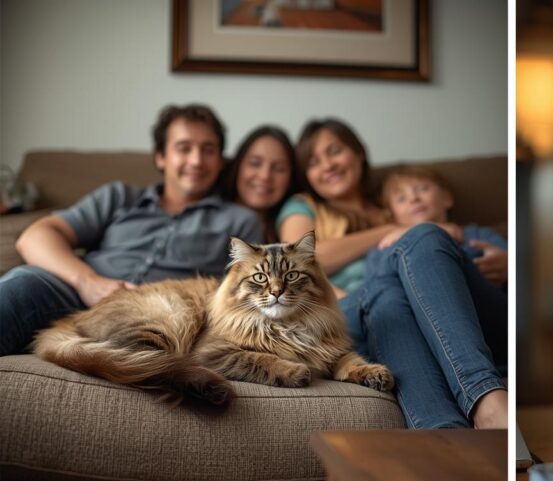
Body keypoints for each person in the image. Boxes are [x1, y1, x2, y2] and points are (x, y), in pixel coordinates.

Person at [276, 118, 507, 429]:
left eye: (335, 151)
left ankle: (448, 430)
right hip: (347, 308)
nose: (327, 165)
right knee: (388, 292)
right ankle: (471, 409)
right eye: (314, 162)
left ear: (359, 154)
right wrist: (394, 230)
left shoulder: (394, 203)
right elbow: (299, 259)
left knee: (409, 265)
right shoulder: (305, 206)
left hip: (414, 305)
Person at [0, 104, 263, 356]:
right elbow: (34, 237)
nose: (196, 160)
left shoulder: (239, 222)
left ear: (220, 161)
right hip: (73, 295)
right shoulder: (119, 196)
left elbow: (245, 295)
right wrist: (87, 281)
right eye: (184, 148)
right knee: (23, 283)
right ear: (161, 157)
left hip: (158, 318)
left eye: (208, 150)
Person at [220, 125, 299, 242]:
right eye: (255, 163)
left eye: (279, 168)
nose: (265, 176)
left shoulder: (295, 225)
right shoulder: (210, 222)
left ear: (290, 179)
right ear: (238, 166)